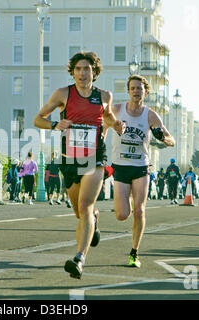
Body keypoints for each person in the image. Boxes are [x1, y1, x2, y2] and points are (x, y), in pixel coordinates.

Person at [34, 51, 125, 279]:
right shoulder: (63, 94)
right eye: (78, 69)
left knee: (84, 205)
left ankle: (79, 259)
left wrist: (116, 125)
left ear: (94, 72)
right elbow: (38, 119)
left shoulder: (104, 96)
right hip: (70, 159)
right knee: (79, 212)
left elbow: (108, 117)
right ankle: (94, 219)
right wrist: (55, 124)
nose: (82, 73)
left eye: (87, 69)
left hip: (95, 157)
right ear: (72, 72)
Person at [105, 74, 175, 268]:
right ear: (128, 91)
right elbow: (102, 123)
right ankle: (122, 200)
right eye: (133, 88)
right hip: (120, 165)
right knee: (121, 214)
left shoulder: (150, 115)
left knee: (140, 210)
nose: (136, 91)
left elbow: (171, 140)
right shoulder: (117, 109)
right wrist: (105, 137)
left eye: (140, 88)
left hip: (141, 167)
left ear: (146, 92)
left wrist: (161, 137)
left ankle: (134, 252)